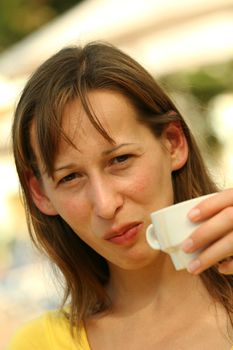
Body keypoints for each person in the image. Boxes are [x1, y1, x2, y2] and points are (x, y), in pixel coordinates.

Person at [8, 41, 233, 349]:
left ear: (173, 142)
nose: (105, 204)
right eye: (71, 177)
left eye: (120, 160)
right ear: (40, 193)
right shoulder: (38, 344)